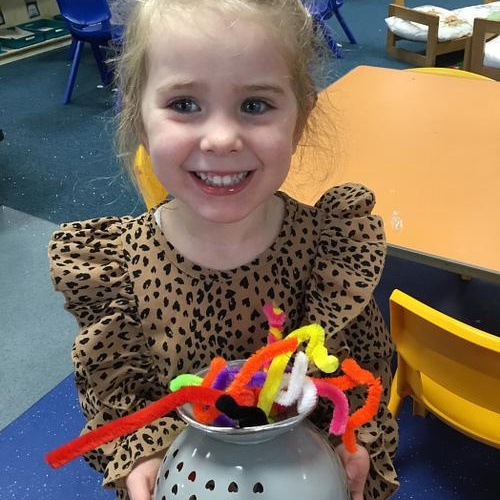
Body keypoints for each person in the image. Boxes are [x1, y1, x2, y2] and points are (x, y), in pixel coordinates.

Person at [48, 1, 399, 499]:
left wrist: (353, 443)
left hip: (303, 479)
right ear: (139, 119)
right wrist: (141, 456)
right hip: (190, 480)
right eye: (184, 104)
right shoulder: (116, 268)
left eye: (254, 105)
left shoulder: (328, 250)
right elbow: (118, 396)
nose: (220, 139)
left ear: (300, 120)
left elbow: (361, 374)